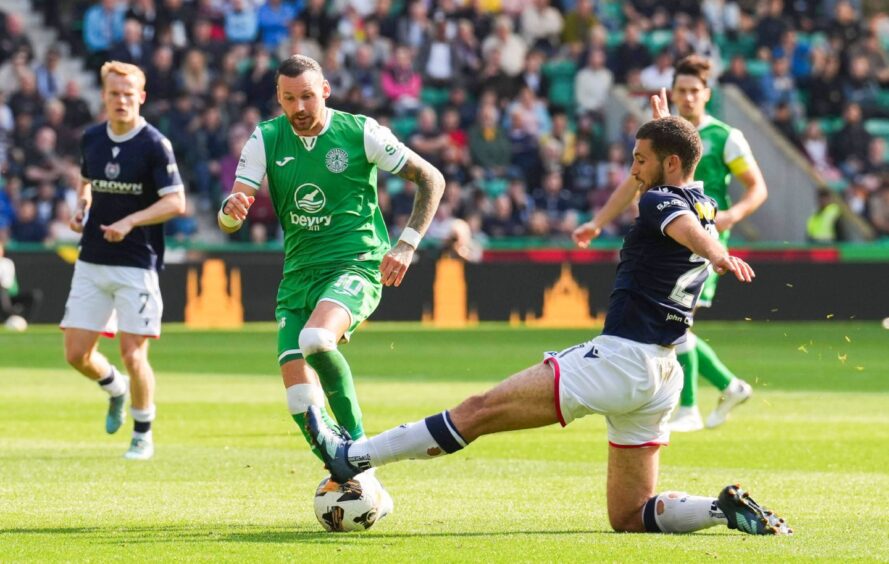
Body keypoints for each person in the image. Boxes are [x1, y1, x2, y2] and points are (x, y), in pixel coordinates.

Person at [307, 113, 791, 537]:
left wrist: (719, 255)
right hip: (662, 374)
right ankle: (721, 509)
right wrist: (664, 127)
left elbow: (678, 223)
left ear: (668, 164)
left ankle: (352, 456)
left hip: (621, 360)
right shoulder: (703, 200)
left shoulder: (658, 203)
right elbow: (685, 199)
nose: (632, 170)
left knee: (478, 411)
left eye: (641, 159)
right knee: (627, 515)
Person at [218, 55, 444, 503]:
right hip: (298, 276)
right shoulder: (265, 138)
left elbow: (430, 178)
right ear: (279, 99)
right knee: (299, 399)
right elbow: (231, 217)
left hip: (356, 263)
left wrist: (406, 244)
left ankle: (363, 458)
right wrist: (231, 211)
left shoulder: (360, 133)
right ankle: (347, 474)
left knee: (317, 340)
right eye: (288, 98)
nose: (298, 106)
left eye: (306, 95)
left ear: (325, 90)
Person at [585, 55, 768, 432]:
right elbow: (635, 180)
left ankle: (688, 407)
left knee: (677, 321)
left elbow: (757, 188)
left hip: (701, 238)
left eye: (693, 91)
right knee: (676, 323)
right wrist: (598, 222)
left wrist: (731, 218)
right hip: (668, 231)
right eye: (680, 90)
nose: (687, 97)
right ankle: (726, 386)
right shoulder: (668, 137)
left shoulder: (724, 137)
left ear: (707, 94)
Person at [60, 61, 186, 461]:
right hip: (92, 260)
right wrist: (82, 207)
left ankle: (142, 432)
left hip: (136, 263)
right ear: (104, 96)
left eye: (129, 94)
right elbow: (87, 181)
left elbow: (176, 201)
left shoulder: (154, 144)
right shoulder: (92, 138)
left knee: (134, 353)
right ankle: (114, 387)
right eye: (114, 93)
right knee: (76, 355)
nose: (121, 100)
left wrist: (131, 221)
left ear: (141, 97)